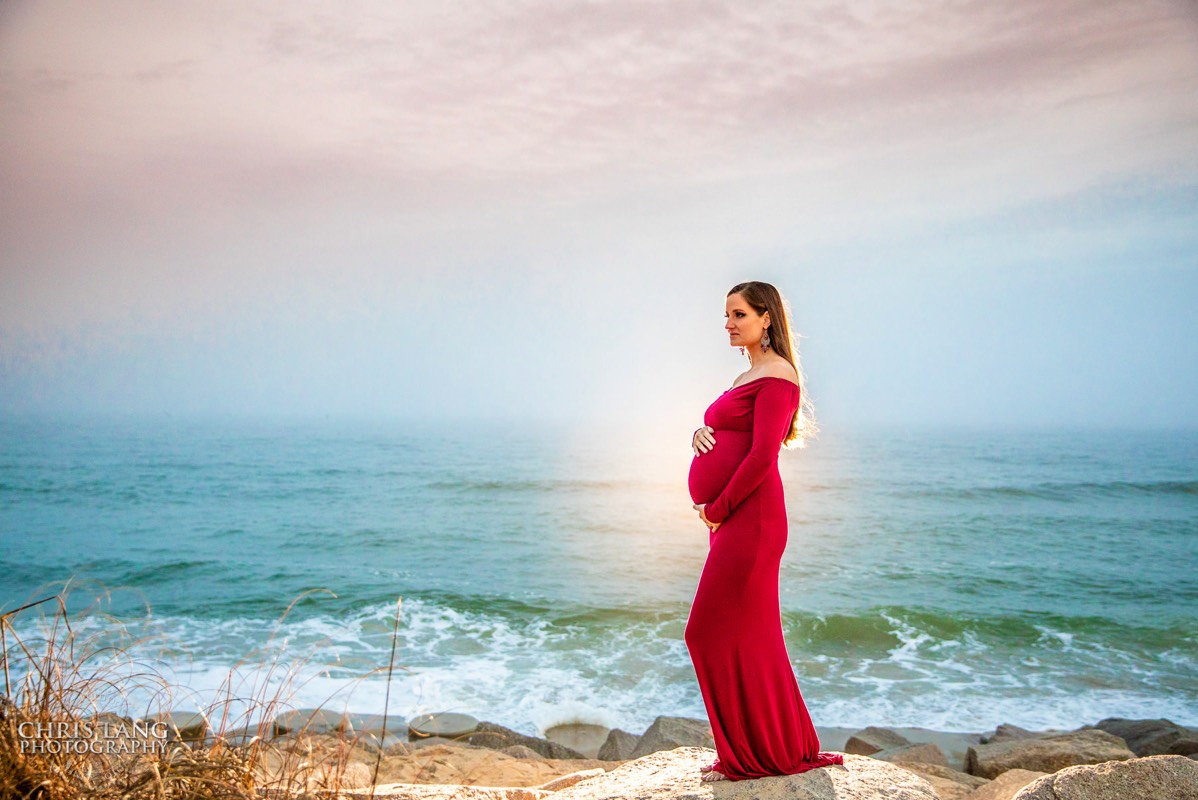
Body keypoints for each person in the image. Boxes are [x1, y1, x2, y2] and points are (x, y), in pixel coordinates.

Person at [684, 281, 844, 782]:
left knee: (705, 632)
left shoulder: (778, 376)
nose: (728, 324)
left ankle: (756, 753)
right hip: (735, 519)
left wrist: (718, 508)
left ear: (766, 318)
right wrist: (699, 433)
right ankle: (764, 749)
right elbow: (731, 434)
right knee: (751, 633)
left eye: (738, 314)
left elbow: (761, 457)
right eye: (726, 315)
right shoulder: (748, 374)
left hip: (751, 519)